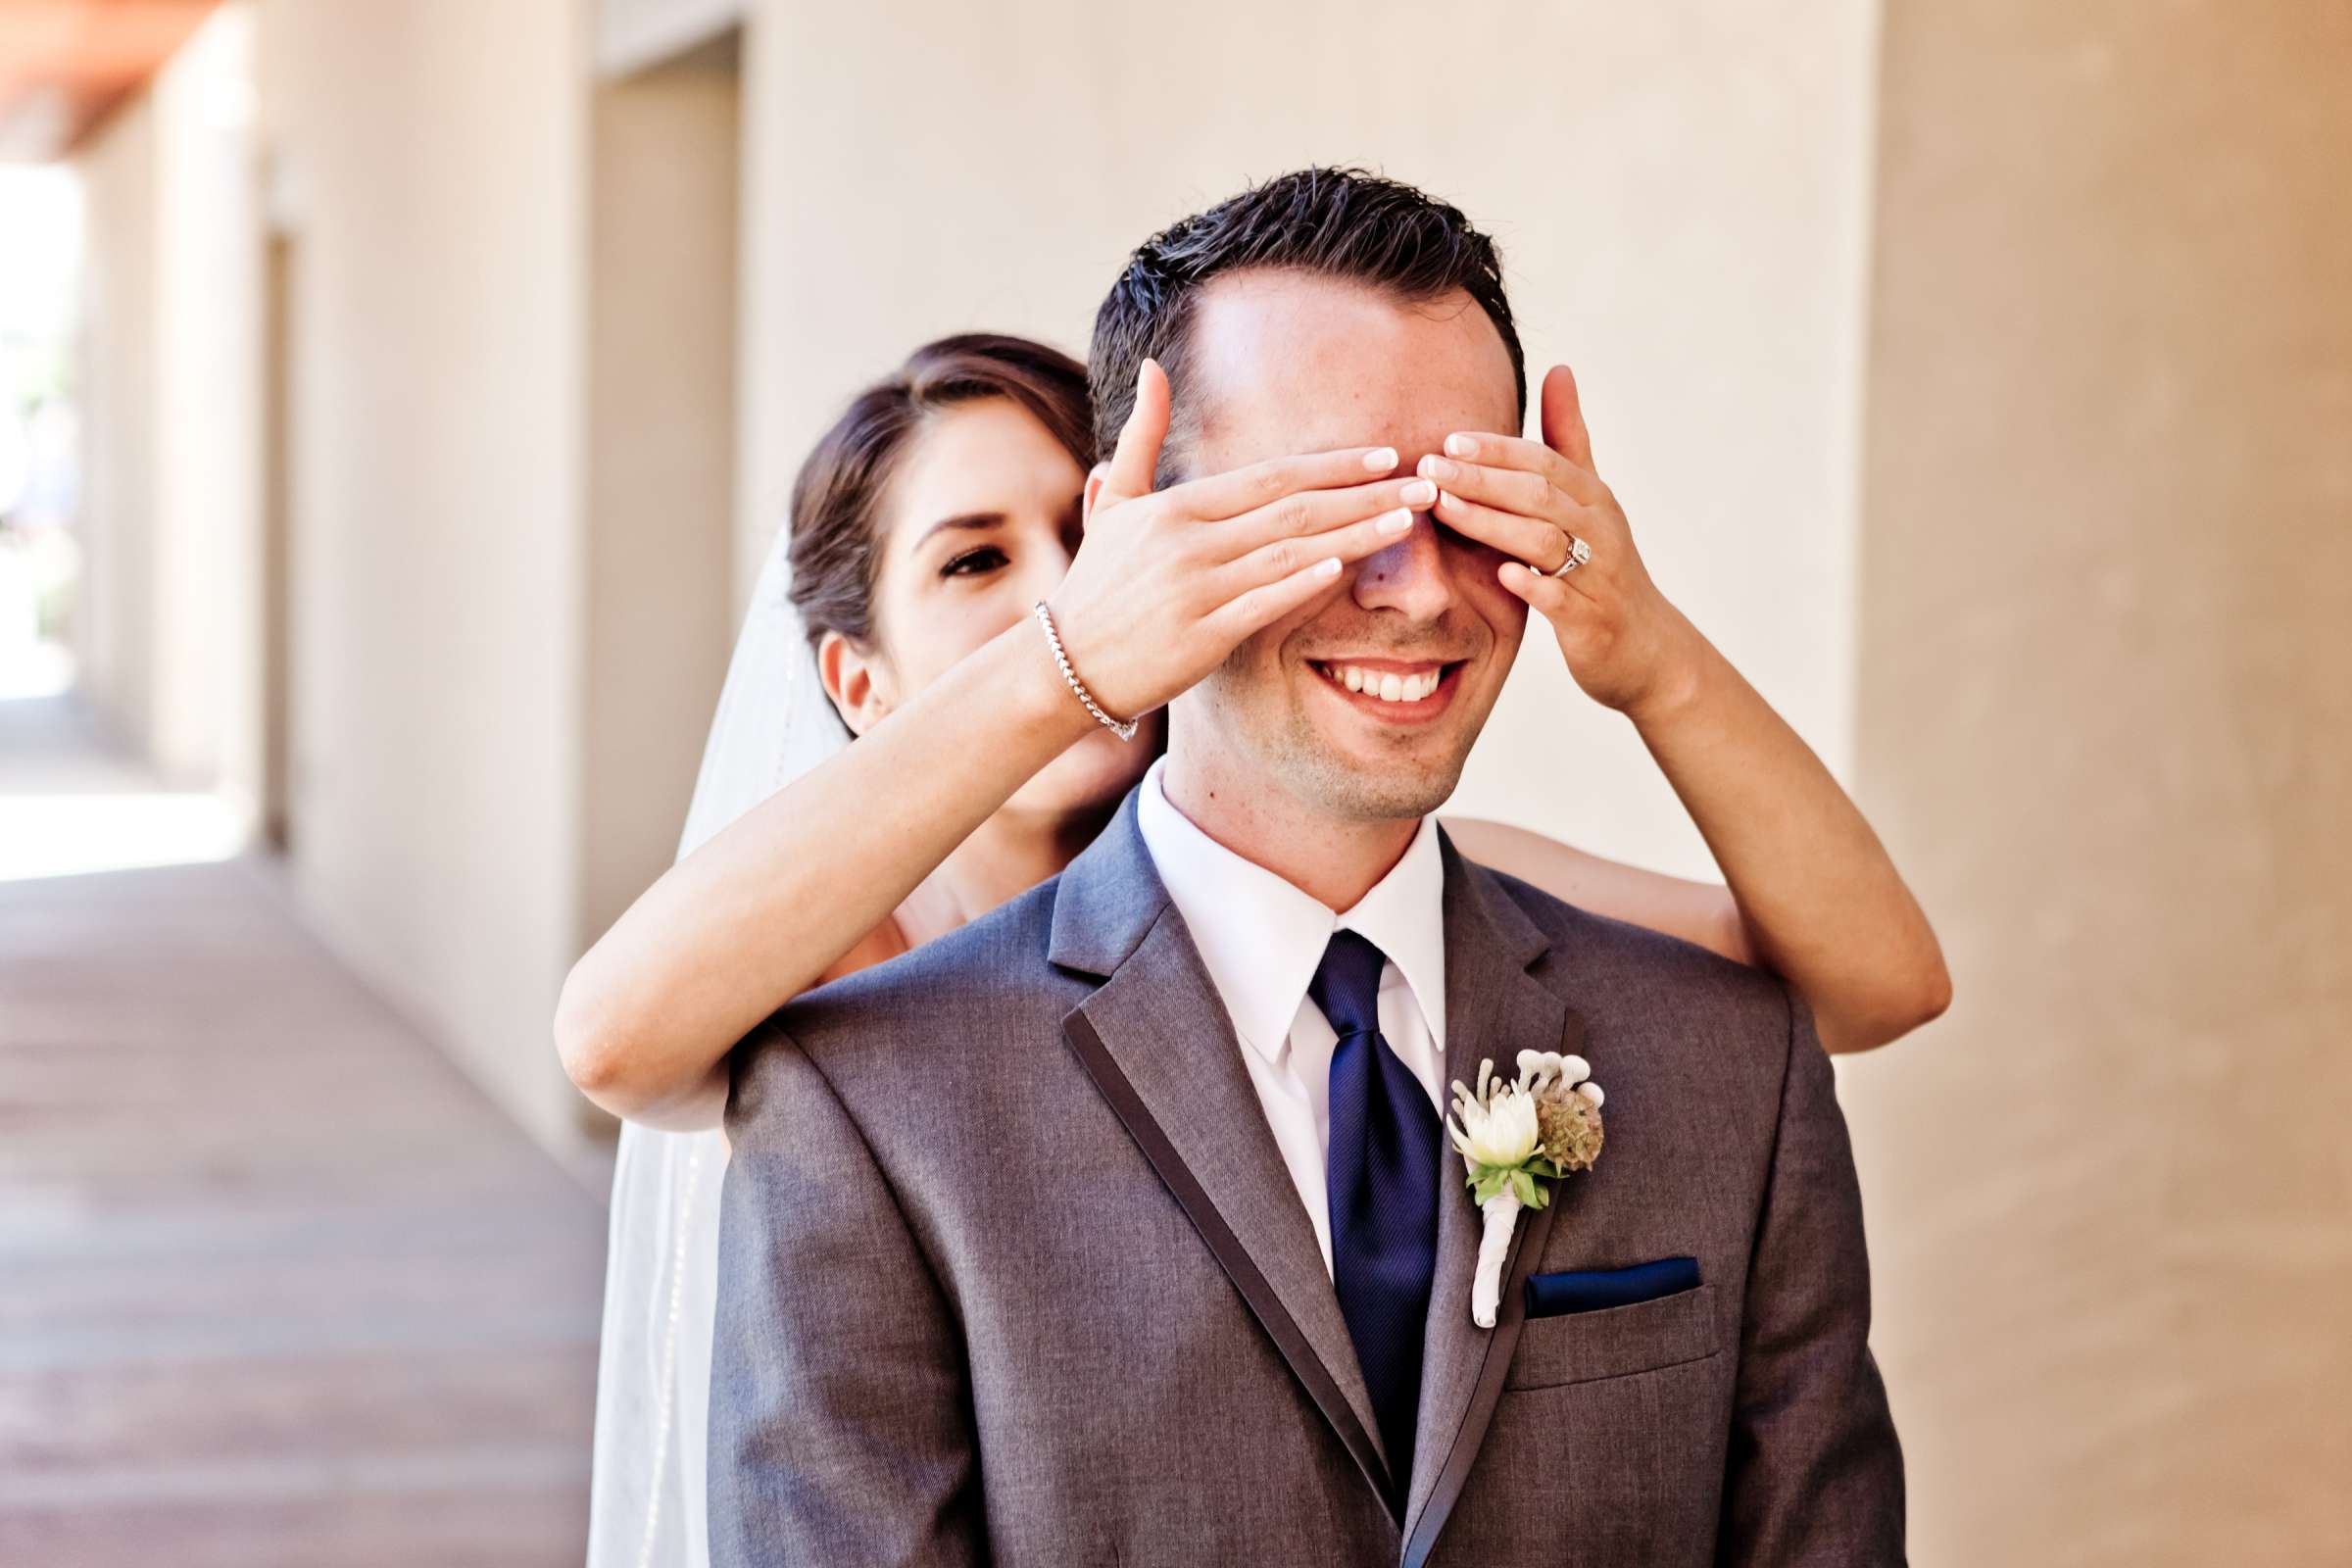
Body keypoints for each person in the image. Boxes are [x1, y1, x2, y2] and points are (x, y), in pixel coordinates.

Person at [702, 167, 1907, 1566]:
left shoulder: (1727, 1067)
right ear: (1143, 535)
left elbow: (1882, 977)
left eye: (1472, 501)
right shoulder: (866, 1100)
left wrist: (1637, 638)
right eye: (1327, 505)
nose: (1417, 584)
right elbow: (609, 1033)